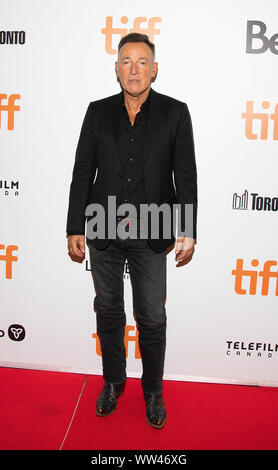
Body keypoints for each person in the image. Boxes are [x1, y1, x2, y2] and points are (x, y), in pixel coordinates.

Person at [66, 32, 197, 429]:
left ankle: (153, 390)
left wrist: (187, 228)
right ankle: (112, 382)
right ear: (116, 69)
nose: (134, 69)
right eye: (126, 61)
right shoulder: (97, 111)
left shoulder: (176, 113)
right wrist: (75, 226)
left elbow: (185, 176)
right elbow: (82, 173)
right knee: (108, 311)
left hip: (154, 231)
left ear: (154, 69)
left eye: (142, 62)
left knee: (152, 316)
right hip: (102, 229)